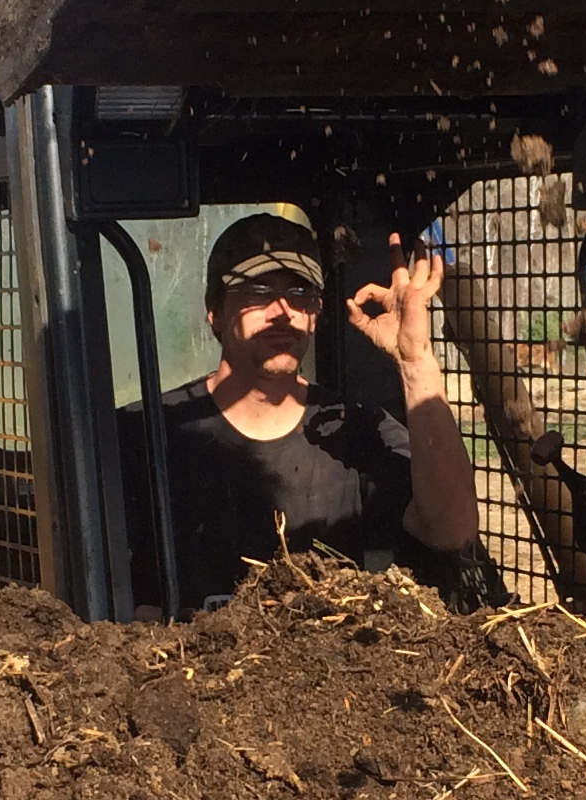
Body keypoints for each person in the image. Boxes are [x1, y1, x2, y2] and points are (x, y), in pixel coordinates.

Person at [119, 211, 482, 614]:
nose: (282, 310)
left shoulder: (356, 430)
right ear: (215, 312)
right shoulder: (144, 435)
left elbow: (453, 529)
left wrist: (414, 359)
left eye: (299, 292)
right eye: (257, 291)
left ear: (316, 311)